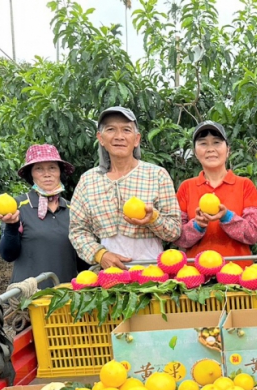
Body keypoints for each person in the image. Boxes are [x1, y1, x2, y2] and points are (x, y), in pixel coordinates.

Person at [69, 106, 180, 269]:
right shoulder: (89, 180)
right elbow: (77, 231)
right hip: (109, 274)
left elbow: (174, 231)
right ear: (100, 138)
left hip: (152, 273)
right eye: (111, 129)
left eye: (126, 130)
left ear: (136, 139)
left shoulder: (156, 175)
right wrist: (100, 254)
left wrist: (153, 218)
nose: (119, 136)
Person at [172, 121, 257, 264]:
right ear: (195, 152)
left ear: (228, 150)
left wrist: (226, 217)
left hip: (238, 274)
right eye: (203, 143)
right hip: (195, 275)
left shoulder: (245, 185)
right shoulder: (186, 187)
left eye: (216, 142)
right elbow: (178, 237)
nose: (210, 149)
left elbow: (253, 234)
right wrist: (198, 225)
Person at [0, 144, 84, 288]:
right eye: (39, 169)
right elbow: (8, 255)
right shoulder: (18, 206)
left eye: (52, 168)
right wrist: (12, 226)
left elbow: (82, 262)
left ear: (59, 172)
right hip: (27, 299)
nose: (47, 174)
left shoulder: (73, 209)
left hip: (65, 297)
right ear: (31, 174)